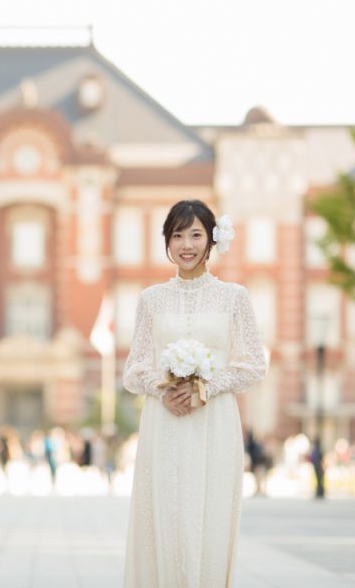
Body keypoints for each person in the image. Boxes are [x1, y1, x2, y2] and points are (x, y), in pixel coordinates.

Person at [122, 199, 267, 587]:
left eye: (196, 234)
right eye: (178, 235)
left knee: (210, 514)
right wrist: (160, 389)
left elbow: (255, 362)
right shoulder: (150, 299)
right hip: (164, 422)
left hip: (215, 421)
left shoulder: (234, 297)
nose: (187, 244)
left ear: (212, 239)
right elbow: (133, 369)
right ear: (167, 241)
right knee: (166, 513)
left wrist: (208, 387)